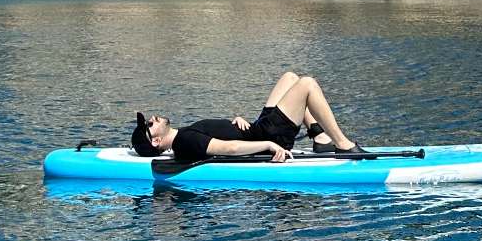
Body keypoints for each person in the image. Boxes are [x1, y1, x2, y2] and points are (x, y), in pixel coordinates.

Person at [131, 70, 360, 165]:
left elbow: (223, 134)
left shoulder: (184, 134)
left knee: (290, 77)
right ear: (156, 141)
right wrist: (269, 145)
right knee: (307, 84)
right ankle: (343, 145)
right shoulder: (185, 141)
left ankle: (319, 139)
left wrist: (237, 121)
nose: (153, 118)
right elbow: (228, 148)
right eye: (150, 124)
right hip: (268, 135)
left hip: (257, 127)